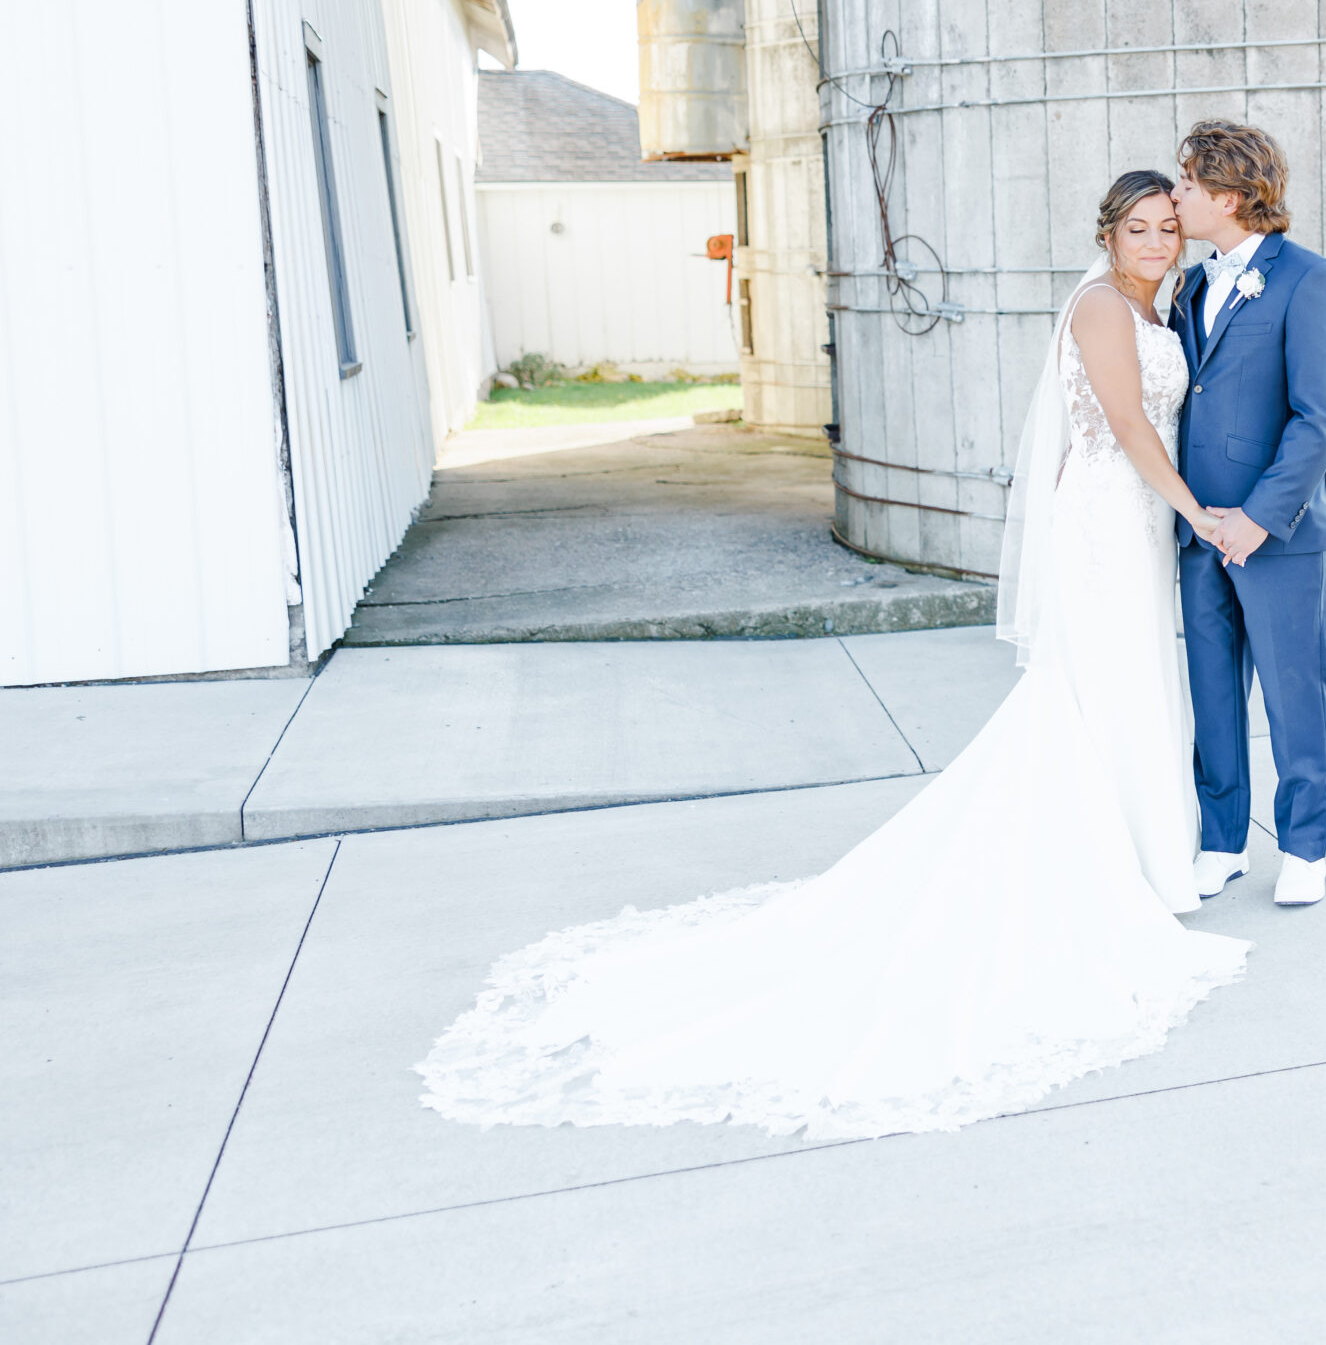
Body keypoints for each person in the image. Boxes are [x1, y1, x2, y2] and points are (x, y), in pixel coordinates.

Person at [415, 171, 1250, 1140]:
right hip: (1110, 523)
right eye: (1136, 229)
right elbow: (1127, 427)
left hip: (1135, 523)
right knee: (1105, 691)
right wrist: (1199, 512)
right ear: (1106, 235)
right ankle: (1118, 871)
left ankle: (1144, 857)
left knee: (1133, 689)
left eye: (1165, 228)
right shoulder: (1104, 311)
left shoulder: (1161, 305)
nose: (1155, 242)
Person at [1167, 120, 1326, 909]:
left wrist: (1258, 516)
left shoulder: (1310, 281)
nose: (1174, 198)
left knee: (1292, 692)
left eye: (1185, 185)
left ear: (1230, 195)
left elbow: (1319, 417)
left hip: (1275, 533)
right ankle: (1222, 842)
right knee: (1211, 693)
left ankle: (1306, 846)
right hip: (1194, 530)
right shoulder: (1189, 283)